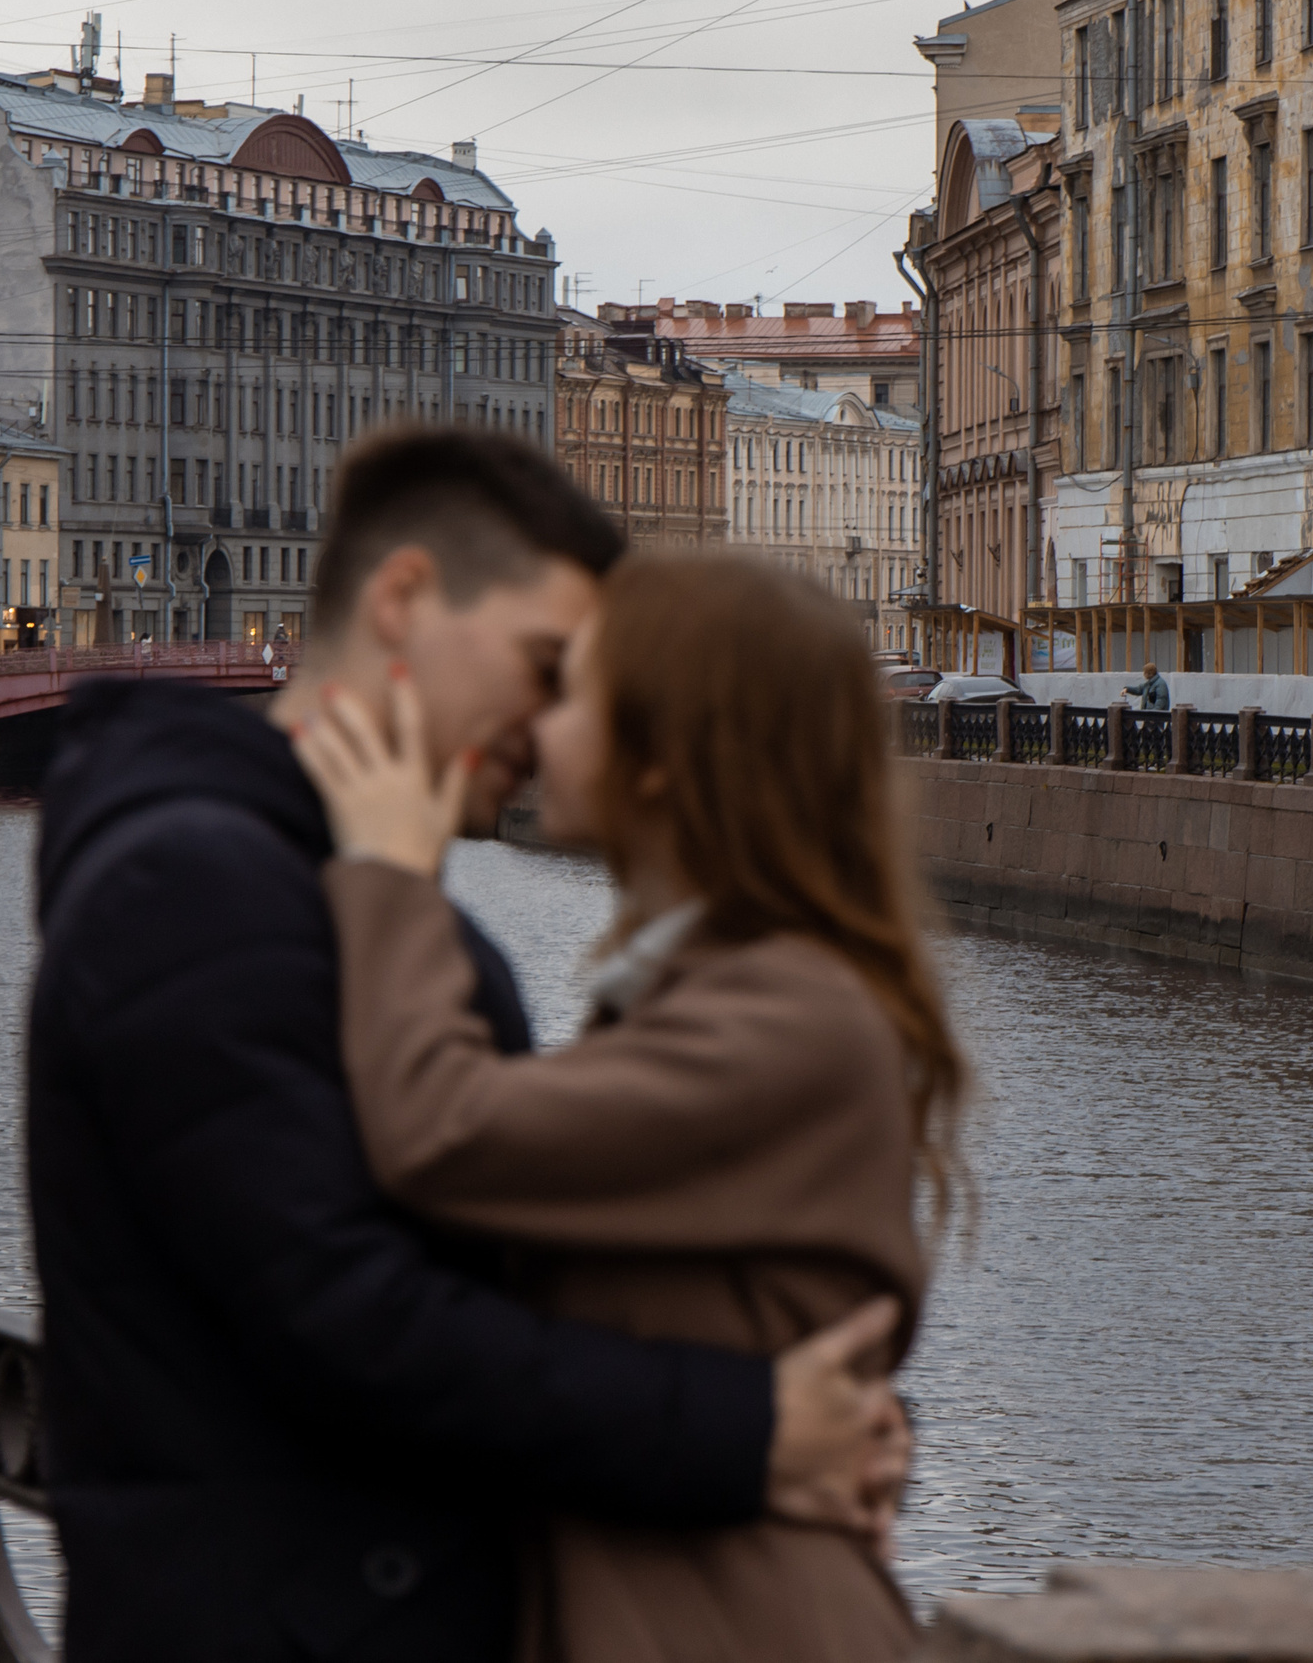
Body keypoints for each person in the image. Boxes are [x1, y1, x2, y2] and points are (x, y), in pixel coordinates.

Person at [27, 429, 910, 1663]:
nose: (553, 724)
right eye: (546, 664)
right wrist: (749, 1426)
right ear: (405, 602)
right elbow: (353, 1322)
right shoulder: (199, 888)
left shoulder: (364, 897)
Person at [293, 554, 966, 1662]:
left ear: (664, 751)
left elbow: (443, 1129)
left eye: (571, 690)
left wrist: (391, 876)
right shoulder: (719, 993)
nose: (536, 715)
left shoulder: (785, 1019)